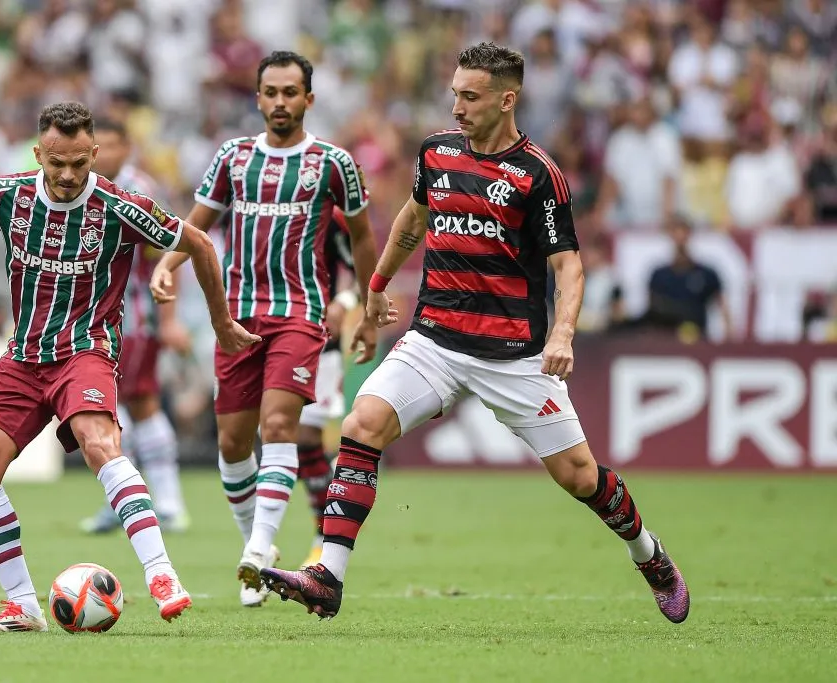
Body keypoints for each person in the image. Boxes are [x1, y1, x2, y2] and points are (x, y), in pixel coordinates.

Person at [260, 43, 690, 624]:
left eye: (470, 96)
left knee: (581, 478)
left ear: (507, 99)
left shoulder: (538, 174)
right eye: (454, 94)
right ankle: (327, 576)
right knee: (363, 423)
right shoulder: (436, 153)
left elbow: (569, 266)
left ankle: (650, 555)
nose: (456, 107)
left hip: (514, 356)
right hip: (434, 340)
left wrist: (562, 335)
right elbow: (413, 219)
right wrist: (377, 288)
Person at [0, 102, 259, 633]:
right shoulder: (6, 194)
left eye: (78, 164)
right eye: (56, 163)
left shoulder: (120, 205)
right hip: (22, 357)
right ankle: (21, 606)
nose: (67, 176)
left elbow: (199, 242)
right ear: (39, 153)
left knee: (98, 440)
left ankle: (162, 575)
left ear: (94, 154)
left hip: (86, 350)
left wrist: (222, 324)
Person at [151, 51, 380, 607]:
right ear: (258, 98)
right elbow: (197, 228)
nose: (280, 102)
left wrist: (368, 307)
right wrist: (166, 262)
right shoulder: (231, 157)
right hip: (235, 316)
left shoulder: (333, 163)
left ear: (309, 99)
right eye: (270, 92)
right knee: (232, 442)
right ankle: (259, 544)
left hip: (300, 313)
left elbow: (363, 238)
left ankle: (258, 550)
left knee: (280, 424)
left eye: (290, 92)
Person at [79, 119, 192, 535]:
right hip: (89, 317)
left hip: (134, 315)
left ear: (127, 148)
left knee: (139, 401)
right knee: (107, 407)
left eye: (112, 145)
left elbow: (172, 251)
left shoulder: (141, 191)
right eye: (99, 146)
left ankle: (168, 502)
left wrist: (169, 317)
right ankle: (123, 500)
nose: (104, 154)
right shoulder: (76, 185)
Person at [296, 209, 359, 569]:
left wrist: (343, 302)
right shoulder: (256, 201)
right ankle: (257, 544)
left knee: (304, 437)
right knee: (273, 439)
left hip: (319, 341)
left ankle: (322, 536)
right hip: (264, 333)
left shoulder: (331, 216)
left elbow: (360, 269)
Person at [645, 215, 732, 341]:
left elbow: (723, 309)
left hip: (699, 340)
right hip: (666, 342)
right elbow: (651, 313)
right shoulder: (658, 275)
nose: (680, 237)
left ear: (690, 234)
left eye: (683, 231)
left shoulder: (706, 274)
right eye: (675, 231)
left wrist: (728, 339)